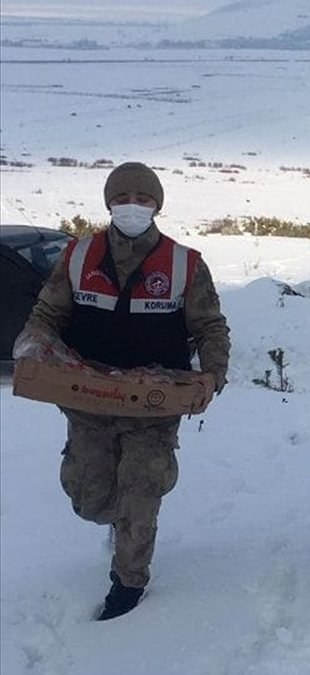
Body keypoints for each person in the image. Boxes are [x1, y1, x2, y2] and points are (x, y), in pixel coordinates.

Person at [18, 162, 230, 620]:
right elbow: (48, 314)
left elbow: (210, 326)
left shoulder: (183, 263)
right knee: (88, 498)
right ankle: (120, 517)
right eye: (122, 199)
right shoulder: (78, 255)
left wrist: (213, 374)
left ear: (156, 205)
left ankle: (129, 583)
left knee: (140, 488)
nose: (132, 207)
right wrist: (35, 345)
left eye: (143, 199)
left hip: (154, 402)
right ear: (109, 204)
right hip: (87, 396)